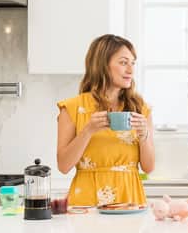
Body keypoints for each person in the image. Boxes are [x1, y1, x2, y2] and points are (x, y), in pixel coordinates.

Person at [56, 34, 154, 207]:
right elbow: (63, 166)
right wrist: (88, 131)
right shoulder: (72, 108)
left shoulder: (140, 109)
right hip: (86, 200)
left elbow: (148, 167)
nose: (130, 70)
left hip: (129, 199)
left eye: (133, 63)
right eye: (123, 63)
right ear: (102, 65)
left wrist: (144, 135)